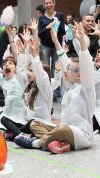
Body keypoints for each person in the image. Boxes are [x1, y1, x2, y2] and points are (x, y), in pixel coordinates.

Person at [15, 23, 95, 154]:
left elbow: (86, 65)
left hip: (81, 134)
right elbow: (64, 60)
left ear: (80, 75)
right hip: (64, 130)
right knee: (35, 124)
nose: (65, 70)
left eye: (69, 69)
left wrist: (82, 43)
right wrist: (55, 40)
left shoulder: (86, 88)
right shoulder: (70, 87)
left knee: (62, 128)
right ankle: (60, 144)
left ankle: (36, 143)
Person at [38, 0, 65, 77]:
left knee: (56, 68)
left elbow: (63, 32)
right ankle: (45, 86)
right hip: (45, 45)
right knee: (45, 67)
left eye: (50, 2)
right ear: (44, 5)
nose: (48, 5)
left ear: (54, 3)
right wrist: (47, 27)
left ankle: (55, 88)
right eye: (46, 3)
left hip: (57, 45)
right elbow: (39, 34)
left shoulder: (60, 15)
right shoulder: (41, 18)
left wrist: (57, 24)